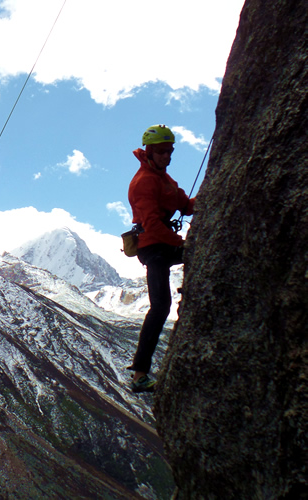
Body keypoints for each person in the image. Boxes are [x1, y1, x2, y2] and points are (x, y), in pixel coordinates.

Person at [127, 124, 194, 393]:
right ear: (151, 152)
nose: (168, 156)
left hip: (161, 243)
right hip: (152, 247)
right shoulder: (144, 182)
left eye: (171, 151)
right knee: (160, 307)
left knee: (161, 306)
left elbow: (186, 205)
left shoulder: (164, 179)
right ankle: (139, 374)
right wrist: (182, 243)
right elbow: (152, 225)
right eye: (163, 151)